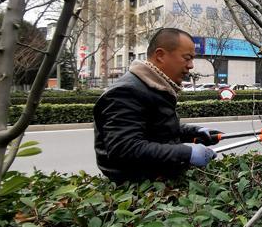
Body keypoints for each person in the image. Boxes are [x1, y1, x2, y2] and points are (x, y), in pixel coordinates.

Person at [93, 28, 222, 183]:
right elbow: (125, 148)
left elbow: (156, 129)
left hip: (157, 181)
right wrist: (187, 153)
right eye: (187, 58)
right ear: (160, 55)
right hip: (139, 189)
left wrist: (194, 132)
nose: (191, 66)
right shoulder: (126, 91)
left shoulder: (153, 86)